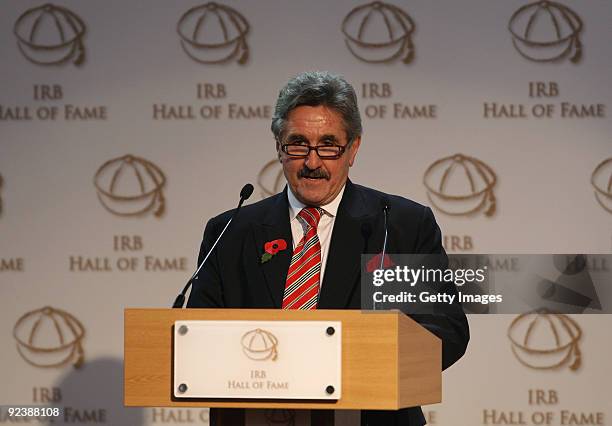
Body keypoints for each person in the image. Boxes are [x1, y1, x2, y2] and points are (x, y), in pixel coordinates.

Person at [187, 71, 469, 426]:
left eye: (329, 145)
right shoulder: (231, 231)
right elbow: (196, 341)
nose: (313, 162)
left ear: (353, 149)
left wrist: (356, 360)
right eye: (298, 143)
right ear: (279, 147)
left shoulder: (396, 227)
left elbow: (444, 333)